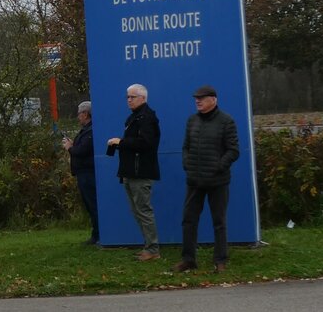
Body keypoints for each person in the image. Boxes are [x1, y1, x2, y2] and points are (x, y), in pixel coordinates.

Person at [173, 85, 239, 274]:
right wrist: (187, 163)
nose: (197, 101)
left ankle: (220, 260)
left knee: (219, 222)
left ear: (213, 100)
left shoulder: (227, 121)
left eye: (201, 98)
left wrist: (218, 167)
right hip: (194, 181)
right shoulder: (192, 121)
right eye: (196, 98)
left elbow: (233, 150)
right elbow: (185, 147)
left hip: (218, 182)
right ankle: (188, 260)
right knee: (188, 220)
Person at [107, 83, 161, 260]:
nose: (129, 100)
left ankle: (153, 249)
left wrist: (121, 142)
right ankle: (148, 246)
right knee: (137, 210)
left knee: (143, 210)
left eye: (133, 97)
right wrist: (119, 144)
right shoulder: (134, 117)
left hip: (141, 171)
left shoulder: (146, 117)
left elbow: (146, 143)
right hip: (130, 171)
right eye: (127, 97)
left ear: (143, 98)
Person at [62, 101, 99, 245]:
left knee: (93, 204)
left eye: (79, 113)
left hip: (88, 173)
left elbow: (82, 151)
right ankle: (96, 234)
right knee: (90, 205)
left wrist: (70, 148)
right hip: (83, 172)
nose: (78, 117)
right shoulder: (86, 131)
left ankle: (98, 235)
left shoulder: (90, 131)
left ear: (85, 114)